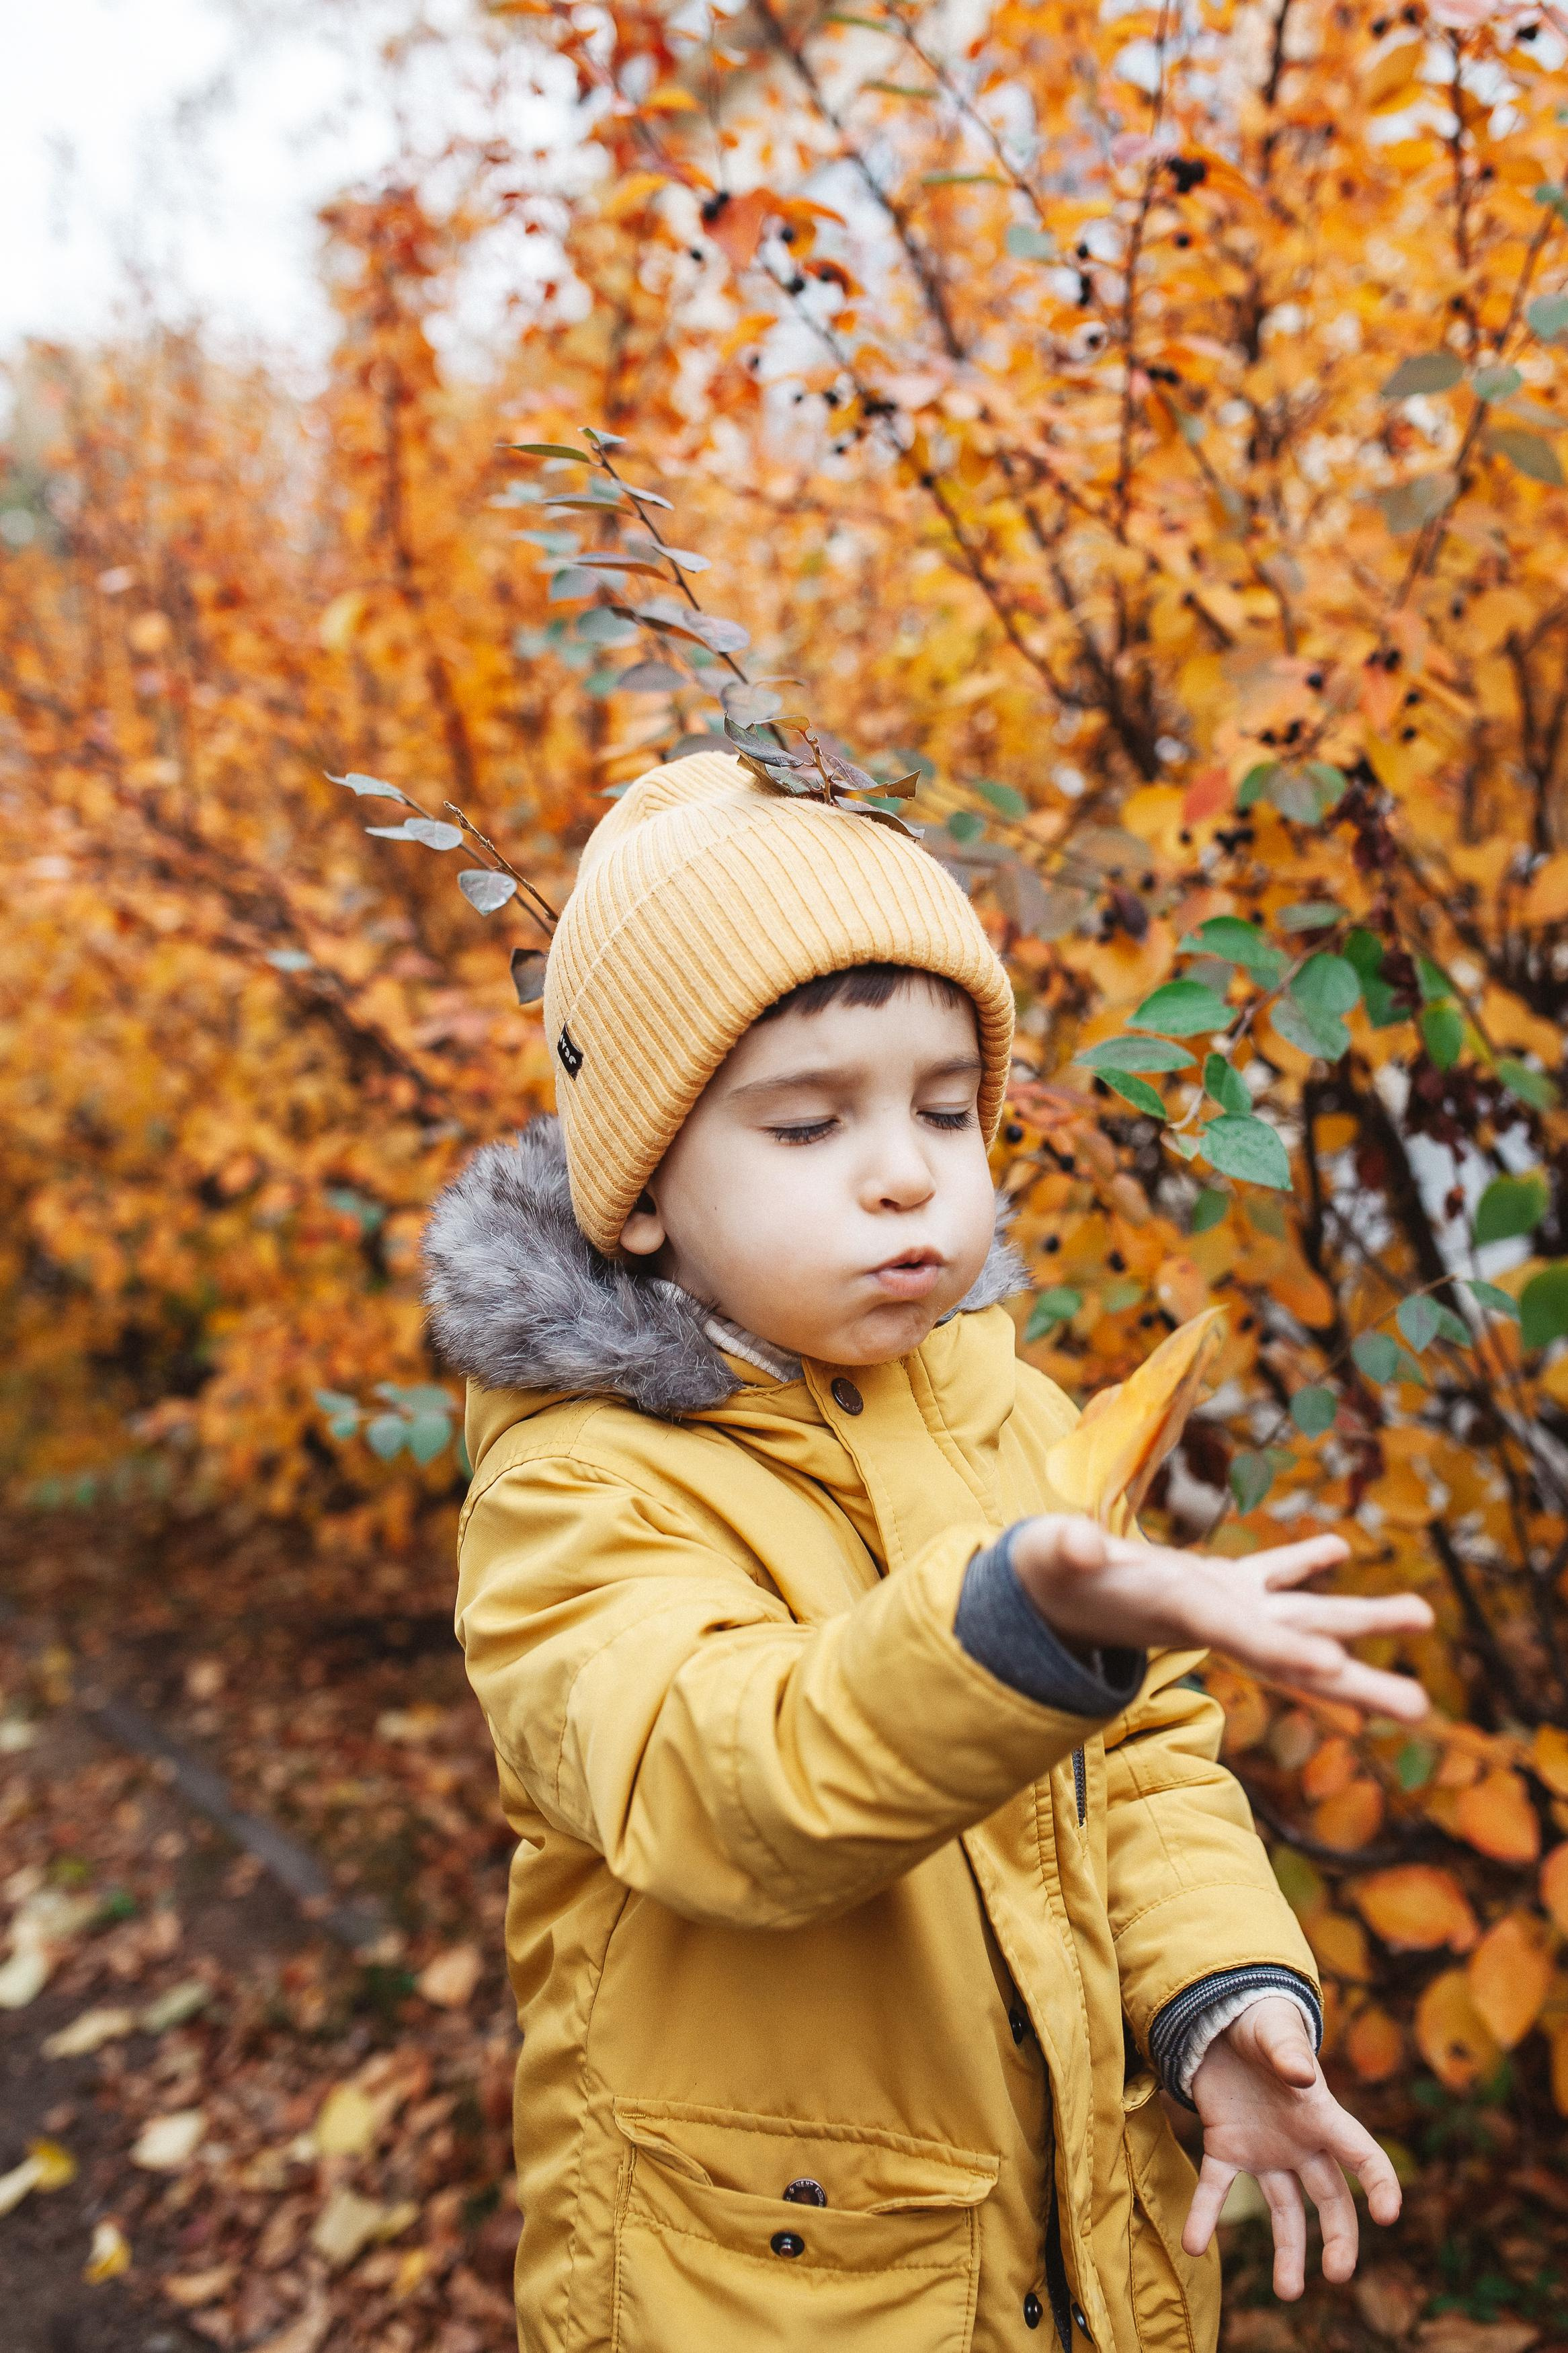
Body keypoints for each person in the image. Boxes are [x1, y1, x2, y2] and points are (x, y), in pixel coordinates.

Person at [423, 749, 1432, 2353]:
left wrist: (1216, 1994)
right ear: (640, 1193)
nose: (907, 1168)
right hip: (769, 2288)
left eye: (947, 1109)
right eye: (812, 1121)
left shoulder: (1005, 1410)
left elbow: (1149, 1752)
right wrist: (999, 1625)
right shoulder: (580, 1489)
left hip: (1072, 2247)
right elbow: (718, 1781)